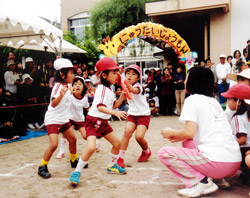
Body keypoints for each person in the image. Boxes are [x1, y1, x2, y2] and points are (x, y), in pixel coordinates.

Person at [158, 67, 242, 197]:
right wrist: (179, 136)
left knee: (164, 153)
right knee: (187, 142)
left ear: (193, 82)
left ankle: (200, 182)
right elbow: (192, 135)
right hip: (234, 162)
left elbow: (190, 132)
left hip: (218, 163)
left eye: (187, 78)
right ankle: (217, 178)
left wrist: (171, 132)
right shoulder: (213, 101)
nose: (185, 81)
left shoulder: (192, 100)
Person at [69, 57, 127, 185]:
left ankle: (112, 166)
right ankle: (76, 172)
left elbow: (115, 105)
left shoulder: (110, 89)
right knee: (91, 148)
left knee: (117, 144)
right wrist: (114, 113)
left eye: (117, 72)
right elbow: (100, 107)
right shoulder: (101, 88)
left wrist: (123, 95)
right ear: (104, 75)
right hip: (94, 121)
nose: (117, 75)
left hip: (104, 122)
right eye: (114, 73)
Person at [38, 58, 78, 179]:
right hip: (53, 119)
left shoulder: (68, 85)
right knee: (54, 144)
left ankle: (73, 160)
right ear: (62, 74)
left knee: (73, 139)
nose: (73, 75)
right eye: (71, 72)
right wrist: (61, 95)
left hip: (63, 119)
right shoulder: (58, 86)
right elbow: (53, 104)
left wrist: (73, 91)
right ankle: (42, 167)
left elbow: (69, 95)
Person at [55, 76, 100, 159]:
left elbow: (87, 108)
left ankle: (96, 141)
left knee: (85, 136)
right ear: (72, 87)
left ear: (83, 87)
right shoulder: (70, 96)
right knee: (65, 134)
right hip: (68, 118)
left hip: (79, 120)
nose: (78, 86)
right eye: (75, 84)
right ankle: (61, 151)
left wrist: (95, 115)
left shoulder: (85, 99)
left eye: (80, 84)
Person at [117, 64, 151, 168]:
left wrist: (125, 84)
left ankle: (146, 151)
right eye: (128, 73)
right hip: (132, 114)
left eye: (133, 74)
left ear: (138, 77)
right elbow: (119, 102)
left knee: (139, 137)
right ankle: (120, 158)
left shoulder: (138, 86)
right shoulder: (125, 87)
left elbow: (133, 90)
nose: (130, 76)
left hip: (143, 115)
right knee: (127, 133)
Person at [221, 84, 250, 185]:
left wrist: (227, 144)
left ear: (238, 101)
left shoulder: (237, 117)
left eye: (229, 99)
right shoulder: (247, 113)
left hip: (245, 151)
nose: (227, 102)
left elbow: (242, 140)